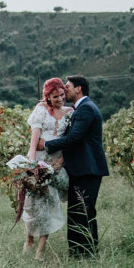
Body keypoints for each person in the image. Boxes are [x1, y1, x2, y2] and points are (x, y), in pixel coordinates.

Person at [42, 75, 109, 257]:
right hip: (81, 169)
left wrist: (46, 145)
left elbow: (74, 138)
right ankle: (78, 254)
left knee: (84, 212)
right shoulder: (80, 109)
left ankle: (86, 254)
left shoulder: (86, 109)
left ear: (78, 89)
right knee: (77, 212)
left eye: (68, 86)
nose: (65, 89)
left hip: (88, 168)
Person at [22, 78, 72, 260]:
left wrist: (61, 161)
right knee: (33, 204)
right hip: (39, 160)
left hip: (55, 163)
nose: (60, 99)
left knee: (50, 204)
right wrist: (32, 162)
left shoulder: (69, 112)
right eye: (55, 96)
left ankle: (40, 250)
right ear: (48, 97)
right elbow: (34, 139)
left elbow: (70, 140)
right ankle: (29, 240)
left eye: (62, 95)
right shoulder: (41, 110)